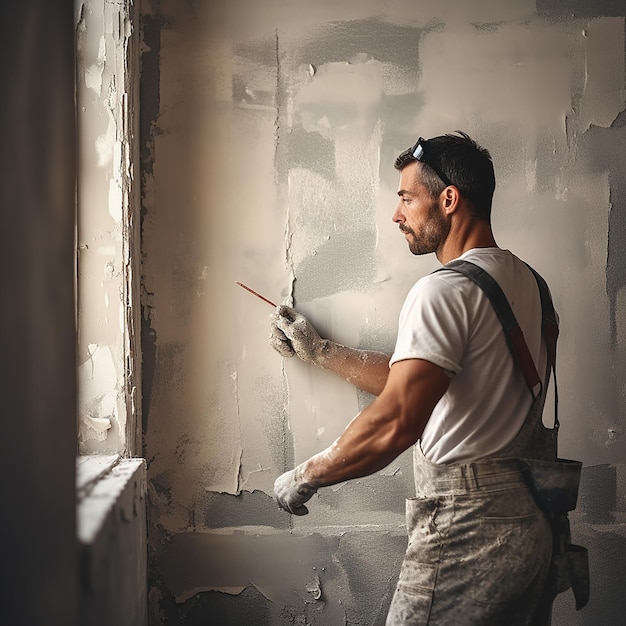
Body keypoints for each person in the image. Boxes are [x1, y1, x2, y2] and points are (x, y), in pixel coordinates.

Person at [269, 131, 556, 624]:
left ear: (448, 200)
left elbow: (399, 420)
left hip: (467, 532)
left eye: (406, 198)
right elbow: (424, 379)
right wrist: (320, 351)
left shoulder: (441, 293)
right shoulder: (529, 283)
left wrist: (306, 475)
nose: (397, 215)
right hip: (532, 527)